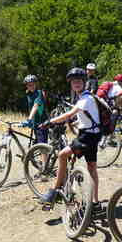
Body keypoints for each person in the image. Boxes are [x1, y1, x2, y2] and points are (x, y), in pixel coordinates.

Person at [39, 67, 102, 214]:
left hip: (86, 137)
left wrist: (50, 121)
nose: (77, 84)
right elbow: (85, 117)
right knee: (92, 167)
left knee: (62, 155)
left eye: (79, 81)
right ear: (71, 85)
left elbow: (70, 113)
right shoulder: (86, 98)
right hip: (93, 135)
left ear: (84, 82)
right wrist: (73, 123)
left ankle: (55, 190)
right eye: (74, 82)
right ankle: (95, 203)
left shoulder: (85, 98)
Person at [21, 74, 49, 145]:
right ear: (26, 86)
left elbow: (35, 106)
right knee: (36, 144)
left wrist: (29, 119)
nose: (31, 86)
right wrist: (32, 121)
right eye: (29, 85)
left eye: (33, 84)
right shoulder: (28, 94)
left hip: (42, 123)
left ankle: (45, 156)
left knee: (42, 147)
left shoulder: (39, 93)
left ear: (36, 84)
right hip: (35, 123)